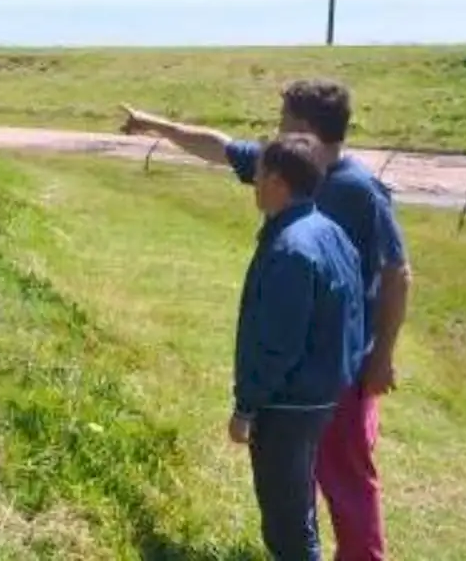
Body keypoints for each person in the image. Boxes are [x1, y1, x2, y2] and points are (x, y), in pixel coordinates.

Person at [121, 78, 411, 561]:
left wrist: (381, 357)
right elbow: (217, 146)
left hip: (344, 364)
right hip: (308, 365)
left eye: (282, 123)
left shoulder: (360, 192)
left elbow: (397, 273)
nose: (272, 135)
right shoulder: (289, 171)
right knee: (302, 474)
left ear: (306, 130)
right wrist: (155, 124)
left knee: (346, 474)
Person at [230, 133, 365, 560]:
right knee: (297, 504)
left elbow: (278, 344)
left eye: (260, 172)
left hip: (287, 404)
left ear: (278, 180)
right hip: (322, 395)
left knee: (286, 520)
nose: (254, 180)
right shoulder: (331, 232)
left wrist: (245, 407)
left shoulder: (291, 249)